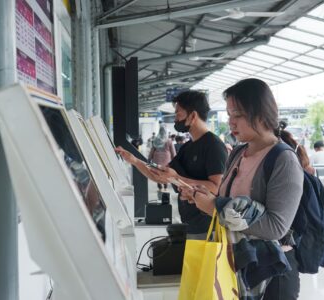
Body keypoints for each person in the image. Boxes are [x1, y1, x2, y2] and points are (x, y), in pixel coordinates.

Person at [188, 78, 303, 299]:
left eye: (237, 115)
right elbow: (226, 200)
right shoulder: (238, 153)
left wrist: (214, 207)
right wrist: (204, 197)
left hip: (270, 273)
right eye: (229, 114)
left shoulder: (283, 159)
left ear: (260, 113)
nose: (231, 122)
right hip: (238, 265)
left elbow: (276, 227)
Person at [115, 90, 228, 237]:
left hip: (208, 228)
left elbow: (216, 188)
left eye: (178, 114)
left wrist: (179, 179)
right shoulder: (188, 147)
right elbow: (161, 176)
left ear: (193, 116)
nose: (175, 119)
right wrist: (134, 161)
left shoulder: (214, 146)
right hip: (191, 224)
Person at [148, 126, 176, 191]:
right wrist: (175, 160)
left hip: (156, 159)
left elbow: (152, 150)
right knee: (165, 172)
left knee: (157, 171)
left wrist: (149, 158)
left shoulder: (156, 140)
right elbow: (173, 152)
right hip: (166, 159)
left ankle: (159, 185)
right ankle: (165, 186)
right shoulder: (169, 141)